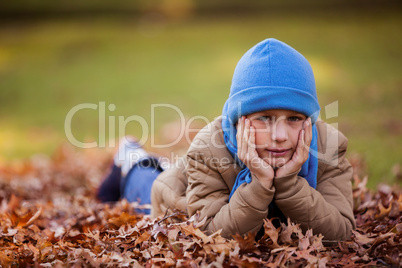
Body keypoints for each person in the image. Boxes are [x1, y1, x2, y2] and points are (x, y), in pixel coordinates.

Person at [97, 38, 356, 241]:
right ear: (238, 120)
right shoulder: (209, 150)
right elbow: (212, 234)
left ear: (310, 120)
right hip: (176, 194)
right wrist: (259, 184)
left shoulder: (328, 147)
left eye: (294, 118)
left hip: (202, 185)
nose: (279, 137)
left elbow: (341, 232)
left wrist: (288, 184)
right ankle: (130, 157)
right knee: (146, 184)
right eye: (264, 118)